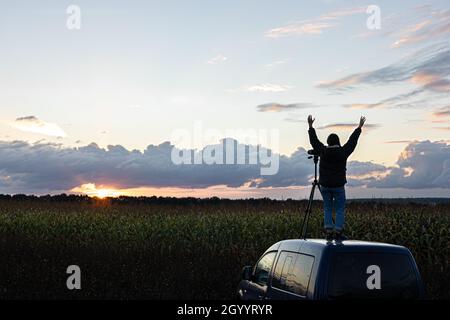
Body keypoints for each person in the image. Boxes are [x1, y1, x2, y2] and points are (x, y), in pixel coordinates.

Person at [307, 115, 366, 241]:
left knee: (327, 208)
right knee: (340, 209)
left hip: (325, 185)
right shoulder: (343, 152)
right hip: (338, 186)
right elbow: (352, 142)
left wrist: (311, 127)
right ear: (338, 141)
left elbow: (314, 141)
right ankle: (338, 232)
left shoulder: (323, 151)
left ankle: (328, 231)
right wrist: (359, 128)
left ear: (328, 142)